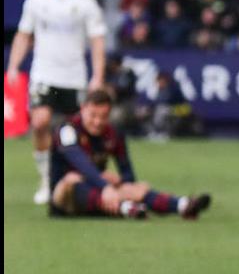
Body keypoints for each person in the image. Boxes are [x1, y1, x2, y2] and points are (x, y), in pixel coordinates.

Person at [7, 0, 107, 205]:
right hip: (44, 74)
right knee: (40, 122)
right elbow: (23, 35)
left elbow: (97, 42)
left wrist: (98, 75)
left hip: (74, 78)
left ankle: (77, 179)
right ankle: (45, 178)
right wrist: (13, 67)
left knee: (75, 133)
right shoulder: (36, 1)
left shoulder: (86, 3)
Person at [49, 90, 212, 220]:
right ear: (82, 108)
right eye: (93, 115)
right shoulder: (67, 129)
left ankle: (182, 205)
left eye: (103, 116)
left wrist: (119, 181)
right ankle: (126, 208)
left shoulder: (113, 134)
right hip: (65, 201)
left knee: (133, 188)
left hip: (102, 195)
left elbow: (128, 175)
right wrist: (104, 183)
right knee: (71, 180)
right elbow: (78, 159)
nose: (98, 122)